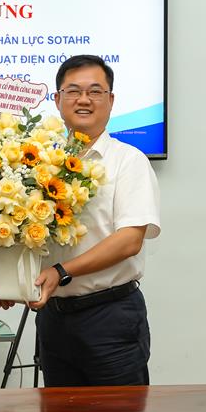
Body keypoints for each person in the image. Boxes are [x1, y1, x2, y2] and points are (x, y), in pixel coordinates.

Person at [29, 54, 161, 386]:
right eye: (73, 91)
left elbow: (130, 241)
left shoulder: (128, 161)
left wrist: (61, 272)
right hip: (54, 319)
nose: (84, 99)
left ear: (111, 100)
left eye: (95, 91)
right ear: (57, 100)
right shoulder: (38, 165)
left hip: (110, 317)